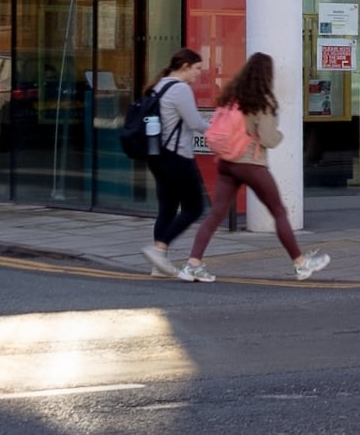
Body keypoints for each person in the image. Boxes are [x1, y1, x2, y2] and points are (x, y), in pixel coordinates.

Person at [185, 53, 329, 282]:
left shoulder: (230, 97)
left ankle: (192, 264)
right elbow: (269, 139)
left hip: (226, 163)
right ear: (267, 76)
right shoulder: (261, 101)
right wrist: (281, 133)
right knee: (279, 212)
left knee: (215, 214)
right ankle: (301, 264)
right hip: (251, 164)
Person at [139, 49, 211, 277]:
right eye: (198, 68)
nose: (199, 73)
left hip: (158, 157)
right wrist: (222, 130)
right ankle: (158, 250)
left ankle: (157, 265)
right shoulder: (180, 89)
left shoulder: (160, 86)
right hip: (178, 157)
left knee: (167, 210)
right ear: (185, 66)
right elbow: (195, 122)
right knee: (194, 208)